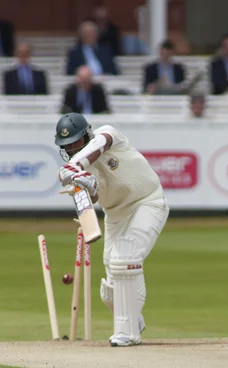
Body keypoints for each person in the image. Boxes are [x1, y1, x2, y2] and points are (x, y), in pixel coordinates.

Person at [54, 113, 169, 347]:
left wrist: (75, 165)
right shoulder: (78, 172)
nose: (73, 148)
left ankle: (127, 334)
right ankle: (133, 319)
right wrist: (83, 183)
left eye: (77, 142)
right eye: (68, 146)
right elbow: (93, 197)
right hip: (115, 215)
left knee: (125, 259)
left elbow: (101, 142)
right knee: (111, 280)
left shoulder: (108, 134)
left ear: (87, 134)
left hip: (147, 202)